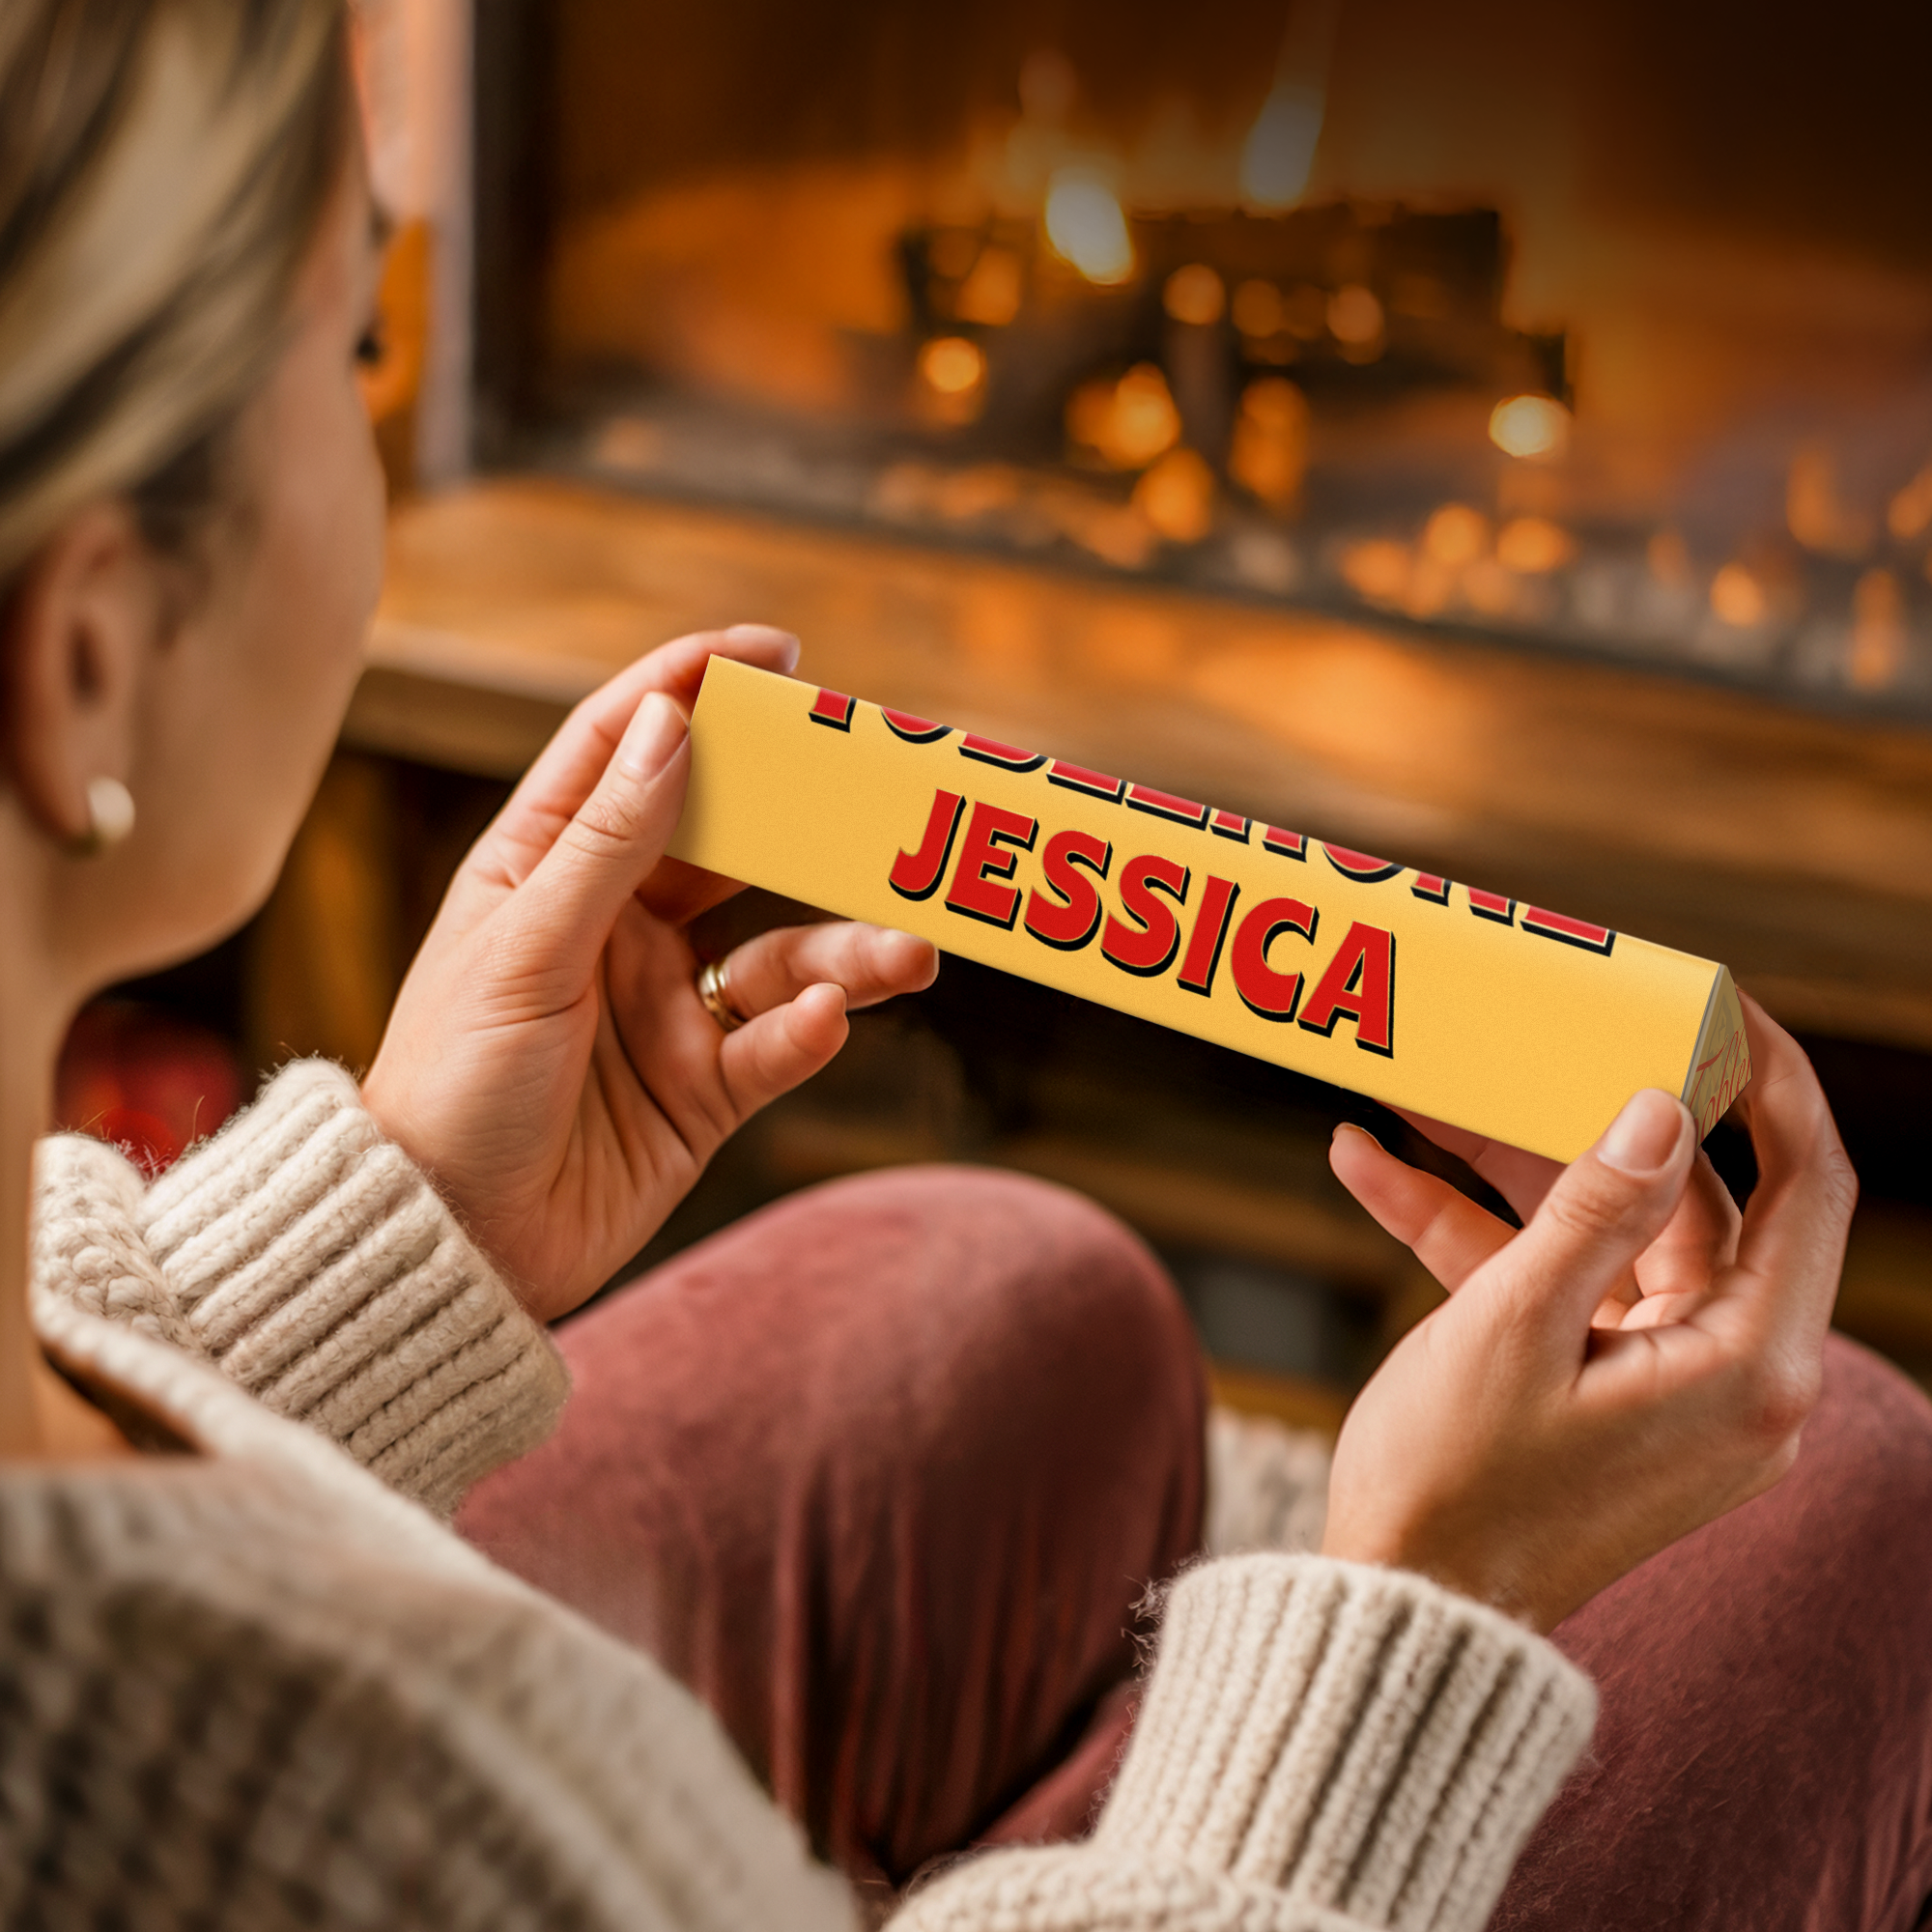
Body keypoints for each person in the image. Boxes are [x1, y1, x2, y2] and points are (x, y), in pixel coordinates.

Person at [1, 3, 1926, 1927]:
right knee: (1846, 1479)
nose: (378, 417)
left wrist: (402, 1219)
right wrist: (1420, 1600)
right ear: (88, 651)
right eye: (352, 347)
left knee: (1011, 1279)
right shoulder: (448, 1810)